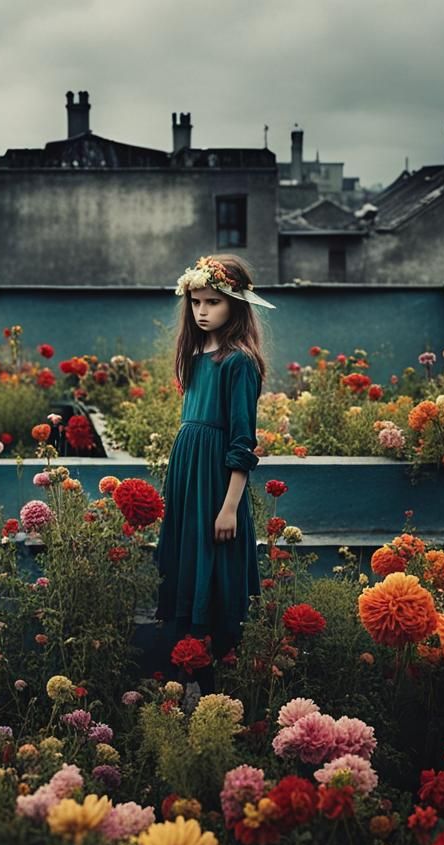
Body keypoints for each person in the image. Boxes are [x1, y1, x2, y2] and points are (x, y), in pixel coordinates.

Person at [155, 254, 273, 675]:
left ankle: (223, 668)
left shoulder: (238, 362)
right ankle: (189, 669)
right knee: (187, 559)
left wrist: (229, 505)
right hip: (189, 474)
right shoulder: (197, 354)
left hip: (216, 481)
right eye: (196, 302)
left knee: (216, 562)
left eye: (213, 303)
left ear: (235, 305)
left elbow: (243, 441)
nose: (202, 311)